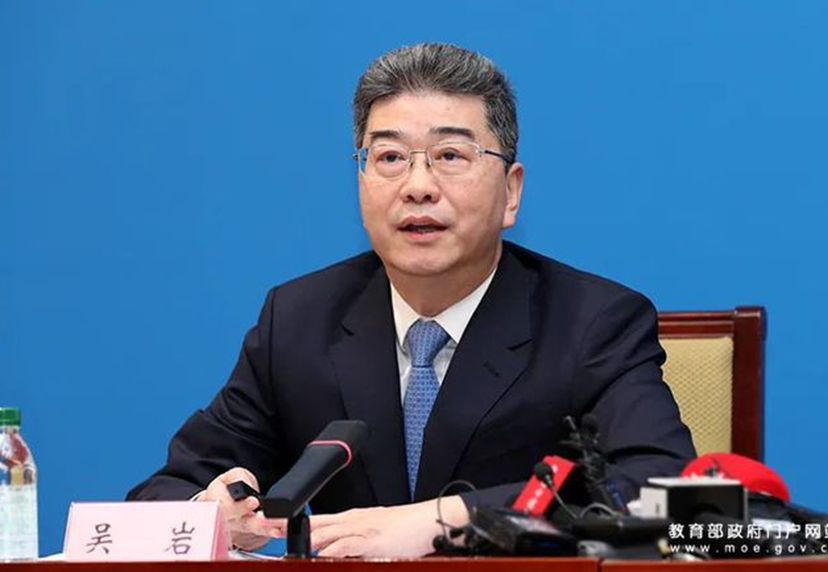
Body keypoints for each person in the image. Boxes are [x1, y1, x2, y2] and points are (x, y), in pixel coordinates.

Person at [128, 42, 696, 558]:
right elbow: (162, 494)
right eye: (390, 157)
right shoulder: (299, 321)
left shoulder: (593, 323)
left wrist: (443, 520)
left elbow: (664, 497)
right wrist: (209, 516)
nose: (417, 186)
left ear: (511, 191)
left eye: (450, 155)